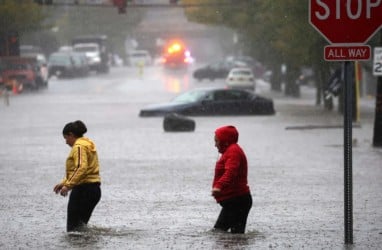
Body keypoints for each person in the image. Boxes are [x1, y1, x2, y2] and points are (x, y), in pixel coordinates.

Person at [53, 120, 101, 232]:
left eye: (66, 138)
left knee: (73, 231)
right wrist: (63, 183)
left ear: (71, 134)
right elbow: (79, 169)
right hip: (93, 190)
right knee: (80, 229)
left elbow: (81, 167)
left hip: (83, 190)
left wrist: (68, 185)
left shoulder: (79, 147)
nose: (66, 142)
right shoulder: (88, 144)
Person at [211, 125, 252, 234]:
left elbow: (231, 172)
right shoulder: (230, 151)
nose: (215, 145)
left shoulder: (233, 151)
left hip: (237, 200)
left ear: (225, 140)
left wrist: (219, 186)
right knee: (236, 236)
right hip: (238, 200)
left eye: (217, 141)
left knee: (218, 233)